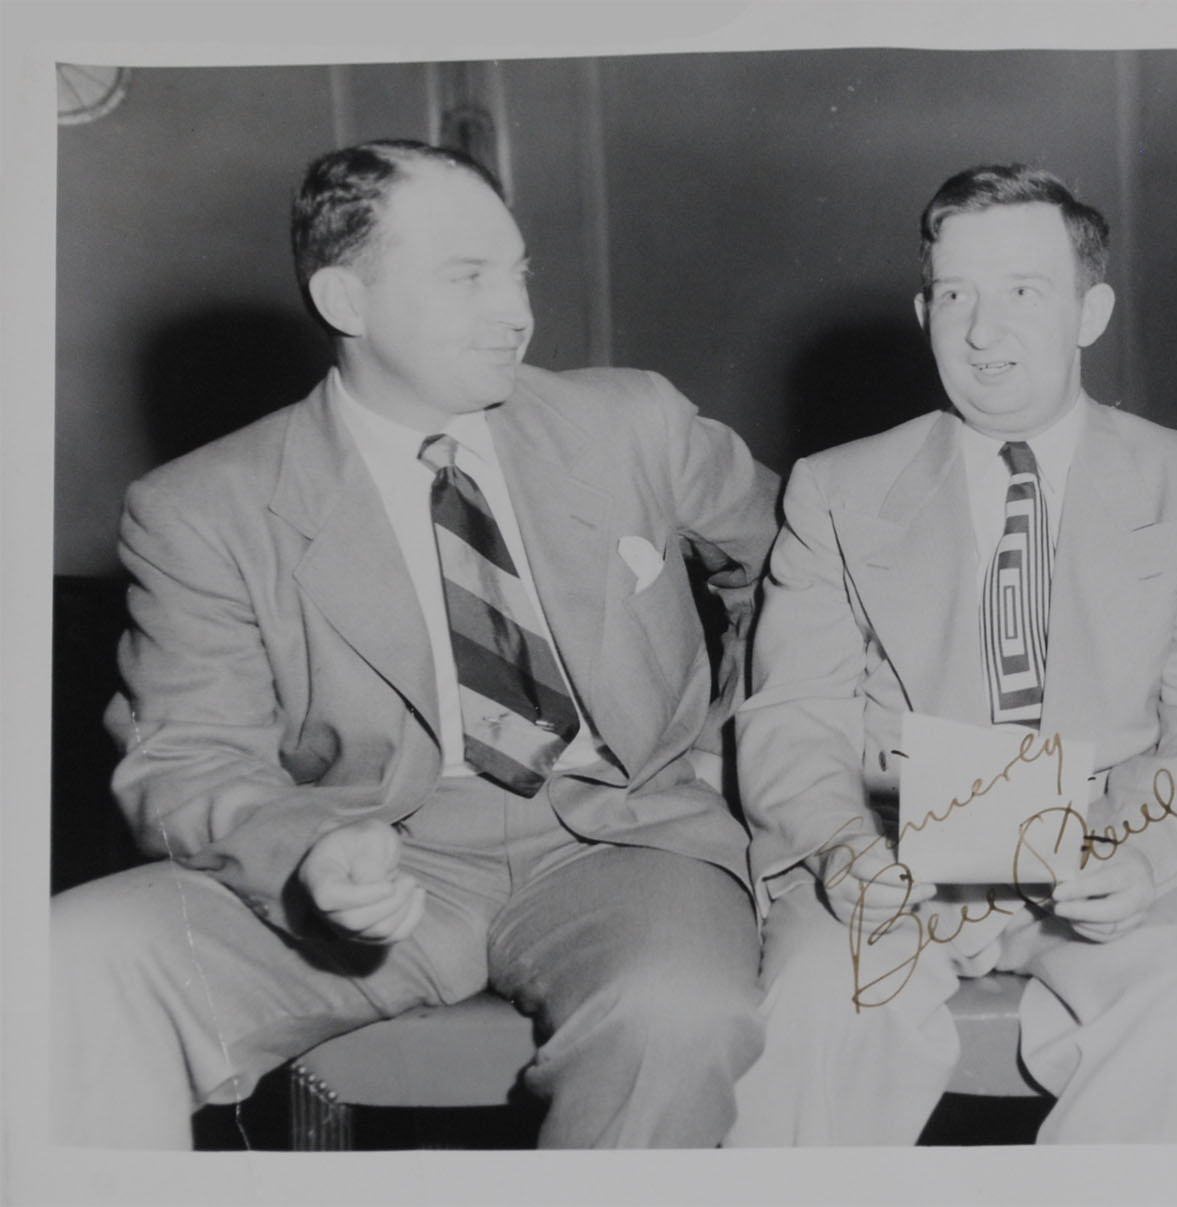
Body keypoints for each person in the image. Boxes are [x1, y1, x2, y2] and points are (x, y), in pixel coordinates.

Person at [51, 139, 779, 1149]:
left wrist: (729, 745)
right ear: (347, 298)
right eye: (467, 276)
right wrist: (305, 852)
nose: (516, 309)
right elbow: (184, 757)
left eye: (517, 270)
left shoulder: (633, 424)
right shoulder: (202, 508)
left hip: (627, 845)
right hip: (375, 857)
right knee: (71, 957)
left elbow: (805, 574)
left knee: (679, 1016)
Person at [726, 164, 1177, 1145]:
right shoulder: (835, 489)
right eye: (954, 295)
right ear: (923, 308)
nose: (982, 332)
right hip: (891, 843)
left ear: (1090, 310)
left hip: (1116, 837)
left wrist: (1136, 850)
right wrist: (843, 847)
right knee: (818, 1003)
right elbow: (794, 717)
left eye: (1023, 292)